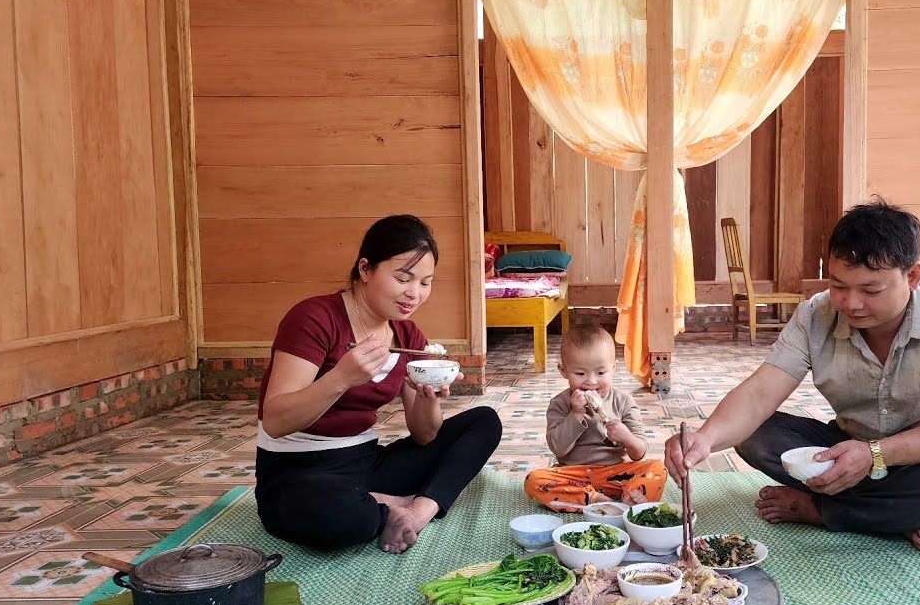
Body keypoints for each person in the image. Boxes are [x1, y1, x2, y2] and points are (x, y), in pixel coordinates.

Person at [665, 200, 920, 553]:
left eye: (871, 290)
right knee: (755, 434)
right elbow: (759, 393)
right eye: (838, 286)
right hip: (849, 448)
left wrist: (876, 455)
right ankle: (901, 512)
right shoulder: (815, 315)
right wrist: (705, 439)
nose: (851, 304)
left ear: (912, 276)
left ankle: (824, 510)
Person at [255, 215, 502, 553]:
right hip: (297, 472)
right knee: (340, 515)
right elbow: (275, 420)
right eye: (403, 278)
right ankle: (382, 506)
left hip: (366, 462)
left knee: (485, 421)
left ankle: (417, 510)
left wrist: (428, 398)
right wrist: (341, 378)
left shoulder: (407, 336)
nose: (414, 293)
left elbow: (424, 435)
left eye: (425, 282)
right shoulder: (315, 318)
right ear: (366, 269)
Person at [525, 325, 667, 511]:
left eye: (601, 373)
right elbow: (558, 448)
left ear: (613, 368)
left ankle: (629, 498)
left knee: (657, 468)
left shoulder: (624, 402)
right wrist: (575, 415)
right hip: (573, 475)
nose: (591, 381)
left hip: (617, 475)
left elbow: (639, 453)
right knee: (534, 480)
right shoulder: (559, 404)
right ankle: (593, 499)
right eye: (580, 373)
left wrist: (627, 437)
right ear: (563, 371)